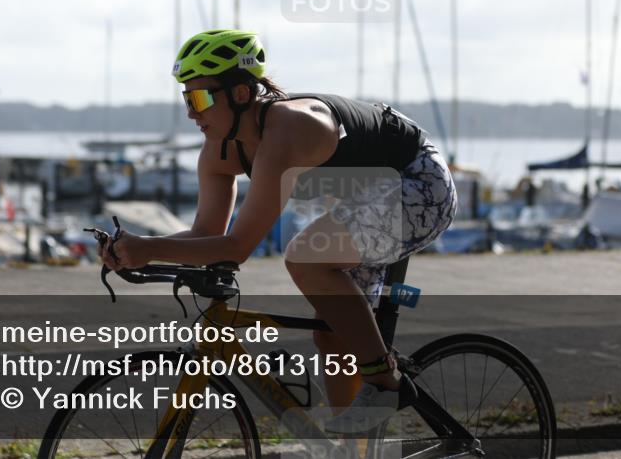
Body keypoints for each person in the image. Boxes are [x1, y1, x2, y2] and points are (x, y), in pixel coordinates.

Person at [98, 29, 457, 433]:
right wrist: (135, 250)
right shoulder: (219, 149)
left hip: (418, 182)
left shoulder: (286, 131)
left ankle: (385, 381)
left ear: (240, 94)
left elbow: (237, 247)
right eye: (186, 98)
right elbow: (205, 234)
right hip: (365, 198)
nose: (191, 112)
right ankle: (354, 447)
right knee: (333, 336)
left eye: (199, 98)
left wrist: (151, 247)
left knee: (306, 257)